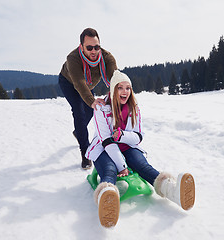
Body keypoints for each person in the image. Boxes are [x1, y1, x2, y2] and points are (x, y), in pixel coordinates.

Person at [86, 70, 196, 228]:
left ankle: (171, 190)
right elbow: (107, 141)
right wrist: (122, 166)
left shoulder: (134, 109)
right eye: (120, 88)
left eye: (128, 88)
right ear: (113, 89)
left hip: (127, 145)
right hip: (104, 149)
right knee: (110, 169)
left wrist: (122, 136)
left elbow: (138, 136)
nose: (125, 92)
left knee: (142, 165)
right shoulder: (101, 109)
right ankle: (108, 197)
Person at [59, 28, 117, 169]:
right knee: (79, 112)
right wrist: (91, 101)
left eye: (97, 47)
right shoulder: (73, 58)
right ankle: (85, 152)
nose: (93, 51)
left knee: (90, 112)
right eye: (89, 47)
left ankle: (79, 131)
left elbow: (115, 79)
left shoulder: (107, 58)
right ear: (81, 46)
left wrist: (118, 97)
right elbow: (79, 83)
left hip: (88, 84)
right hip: (69, 82)